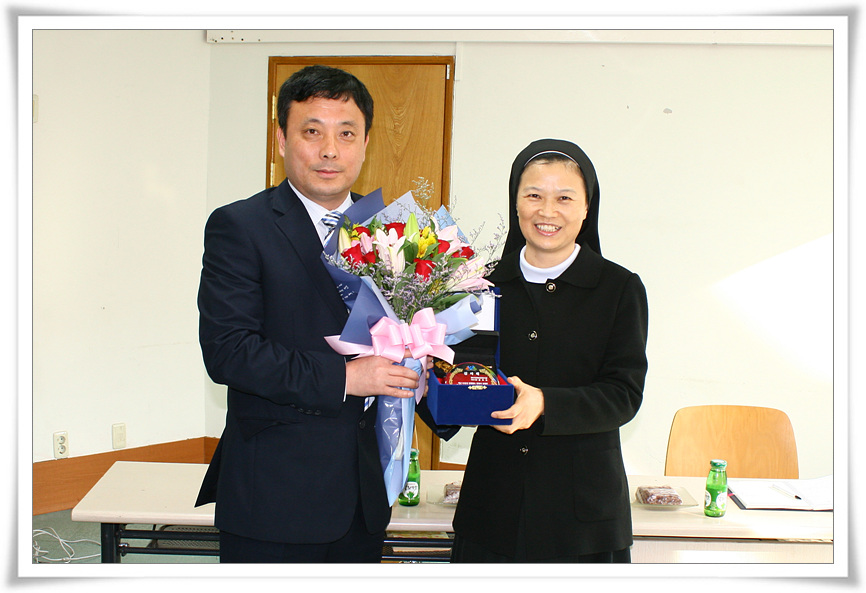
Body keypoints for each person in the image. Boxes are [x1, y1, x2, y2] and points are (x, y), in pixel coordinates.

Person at [194, 65, 424, 563]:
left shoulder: (393, 233)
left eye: (347, 134)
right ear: (282, 139)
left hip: (363, 499)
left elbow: (416, 334)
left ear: (365, 143)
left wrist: (429, 374)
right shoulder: (240, 226)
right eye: (312, 132)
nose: (330, 151)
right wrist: (347, 378)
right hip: (274, 497)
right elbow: (229, 352)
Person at [450, 138, 649, 563]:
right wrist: (419, 381)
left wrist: (545, 403)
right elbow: (461, 380)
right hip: (493, 509)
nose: (547, 211)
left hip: (582, 518)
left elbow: (623, 395)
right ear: (515, 202)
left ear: (586, 207)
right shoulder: (479, 285)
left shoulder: (618, 288)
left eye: (564, 198)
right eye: (534, 196)